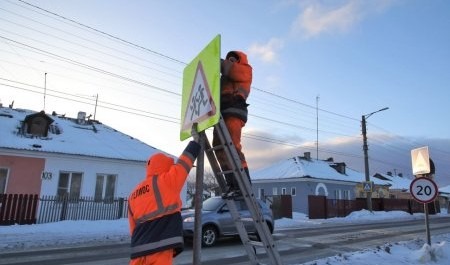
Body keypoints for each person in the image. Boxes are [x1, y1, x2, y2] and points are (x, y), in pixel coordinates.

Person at [127, 131, 201, 265]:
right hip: (159, 244)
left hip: (138, 248)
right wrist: (195, 141)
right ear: (166, 166)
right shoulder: (167, 181)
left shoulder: (133, 194)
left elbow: (133, 227)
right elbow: (184, 163)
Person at [212, 50, 253, 195]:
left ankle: (243, 184)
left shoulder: (245, 70)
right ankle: (232, 184)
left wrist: (217, 61)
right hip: (221, 114)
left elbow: (231, 69)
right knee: (218, 147)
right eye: (228, 59)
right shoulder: (225, 77)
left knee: (232, 147)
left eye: (233, 59)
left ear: (238, 60)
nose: (230, 61)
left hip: (234, 110)